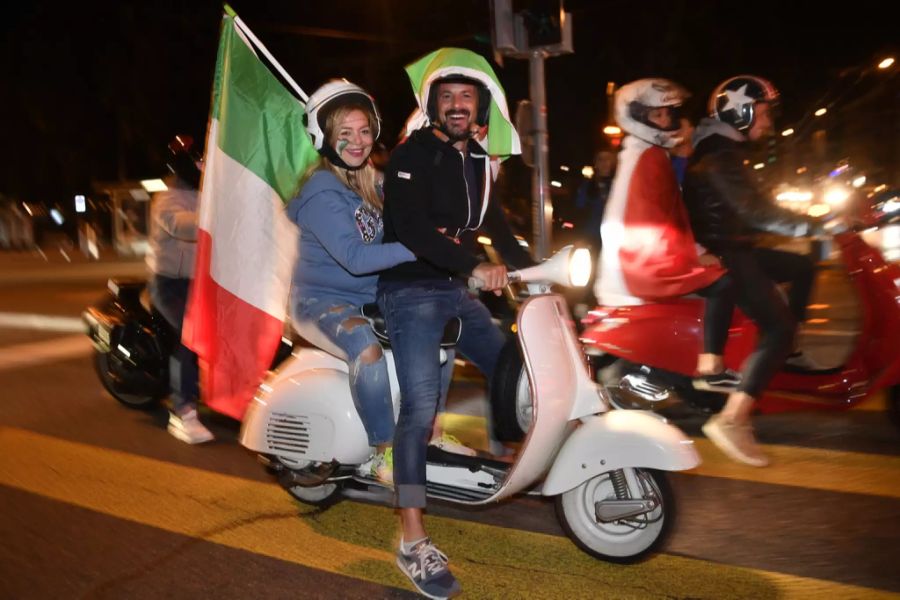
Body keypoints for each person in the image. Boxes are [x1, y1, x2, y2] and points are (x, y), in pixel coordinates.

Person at [378, 48, 533, 599]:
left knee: (514, 368)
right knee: (421, 405)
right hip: (412, 290)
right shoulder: (408, 156)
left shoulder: (479, 164)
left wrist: (542, 266)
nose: (456, 104)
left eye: (466, 96)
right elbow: (414, 231)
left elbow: (502, 232)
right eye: (446, 96)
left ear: (481, 105)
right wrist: (474, 265)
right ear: (433, 106)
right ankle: (411, 536)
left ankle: (514, 459)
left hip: (455, 288)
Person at [683, 75, 823, 467]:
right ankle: (732, 418)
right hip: (727, 254)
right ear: (740, 111)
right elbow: (756, 211)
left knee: (801, 266)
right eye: (763, 114)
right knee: (778, 326)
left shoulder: (725, 150)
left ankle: (786, 352)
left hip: (737, 246)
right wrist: (817, 224)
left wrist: (811, 219)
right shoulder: (718, 156)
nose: (768, 124)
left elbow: (757, 206)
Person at [286, 80, 416, 484]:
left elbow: (413, 199)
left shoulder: (368, 179)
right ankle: (383, 451)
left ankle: (423, 434)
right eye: (344, 134)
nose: (357, 142)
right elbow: (357, 259)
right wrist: (419, 248)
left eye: (363, 131)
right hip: (319, 302)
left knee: (436, 331)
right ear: (324, 139)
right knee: (366, 346)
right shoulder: (322, 189)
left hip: (367, 299)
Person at [595, 78, 740, 392]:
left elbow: (668, 215)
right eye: (655, 115)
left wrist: (696, 248)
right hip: (639, 261)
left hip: (635, 256)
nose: (664, 122)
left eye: (667, 114)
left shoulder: (646, 152)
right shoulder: (648, 157)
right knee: (723, 283)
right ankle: (710, 367)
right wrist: (695, 254)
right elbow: (658, 221)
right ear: (636, 116)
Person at [146, 135, 213, 444]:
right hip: (169, 284)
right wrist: (213, 221)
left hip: (199, 282)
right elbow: (179, 226)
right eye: (198, 160)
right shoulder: (167, 198)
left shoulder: (207, 193)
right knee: (188, 336)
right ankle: (183, 411)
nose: (203, 164)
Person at [573, 148, 616, 250]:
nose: (604, 163)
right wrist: (579, 237)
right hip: (593, 236)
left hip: (615, 235)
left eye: (607, 159)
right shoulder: (588, 185)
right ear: (596, 163)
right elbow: (579, 212)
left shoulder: (618, 184)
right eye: (601, 159)